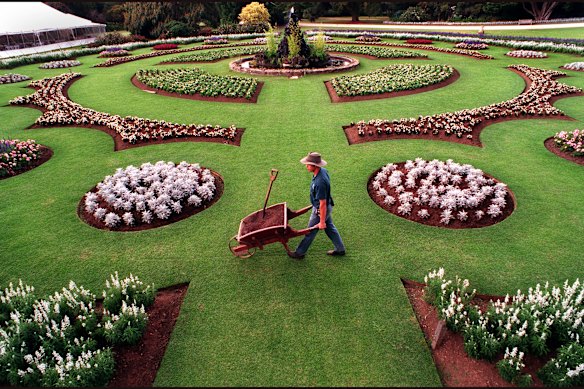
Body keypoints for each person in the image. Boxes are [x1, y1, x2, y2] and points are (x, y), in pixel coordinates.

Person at [288, 152, 346, 260]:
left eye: (308, 164)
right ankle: (340, 249)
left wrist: (322, 221)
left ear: (315, 165)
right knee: (330, 228)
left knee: (310, 230)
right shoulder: (322, 172)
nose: (306, 166)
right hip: (324, 207)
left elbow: (323, 203)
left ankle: (300, 252)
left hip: (321, 209)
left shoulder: (320, 182)